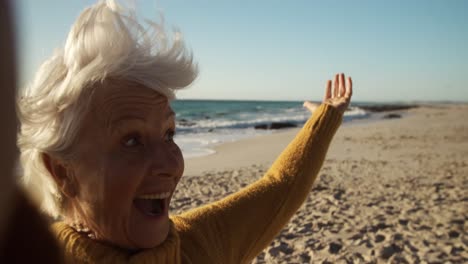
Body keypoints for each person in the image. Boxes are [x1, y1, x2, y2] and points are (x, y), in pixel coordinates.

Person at [17, 1, 352, 263]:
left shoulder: (203, 244)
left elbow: (280, 187)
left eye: (169, 134)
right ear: (62, 171)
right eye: (132, 140)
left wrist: (325, 120)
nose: (171, 164)